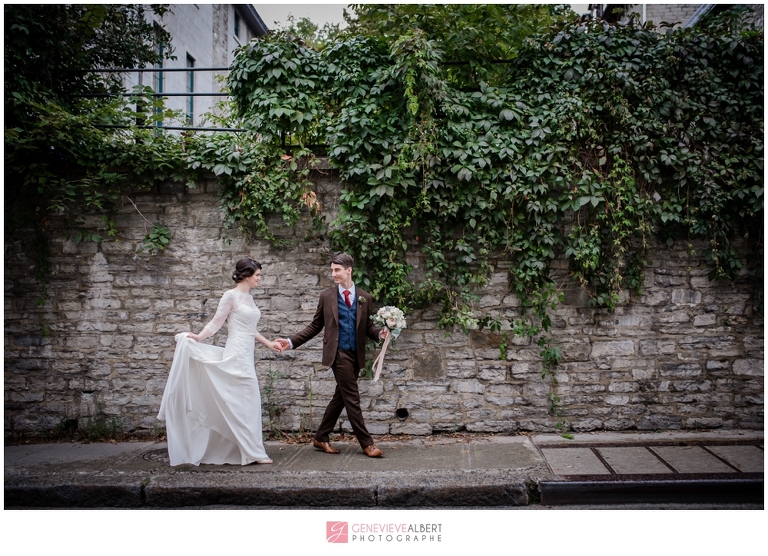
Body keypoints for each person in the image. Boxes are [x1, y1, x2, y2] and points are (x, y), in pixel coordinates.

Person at [158, 258, 281, 466]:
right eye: (258, 275)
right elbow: (216, 322)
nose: (260, 278)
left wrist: (268, 343)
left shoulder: (249, 299)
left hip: (246, 352)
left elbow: (250, 329)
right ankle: (253, 452)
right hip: (236, 352)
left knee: (247, 402)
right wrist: (198, 337)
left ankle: (248, 449)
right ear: (246, 275)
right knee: (242, 400)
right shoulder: (230, 296)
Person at [275, 253, 388, 458]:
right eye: (332, 270)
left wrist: (380, 333)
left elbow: (367, 326)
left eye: (337, 270)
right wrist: (291, 342)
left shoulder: (365, 297)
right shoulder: (327, 297)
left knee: (341, 398)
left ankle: (321, 437)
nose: (333, 273)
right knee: (352, 399)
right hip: (338, 354)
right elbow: (315, 326)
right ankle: (367, 443)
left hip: (356, 354)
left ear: (349, 270)